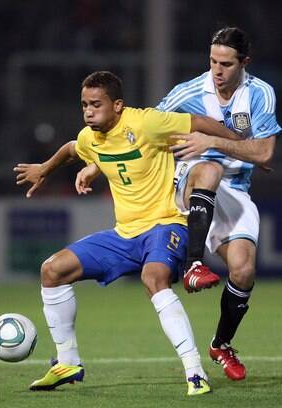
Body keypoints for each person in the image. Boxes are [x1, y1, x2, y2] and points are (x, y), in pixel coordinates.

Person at [14, 71, 239, 395]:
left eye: (96, 104)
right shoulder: (92, 137)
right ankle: (67, 362)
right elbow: (71, 148)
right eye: (84, 105)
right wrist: (44, 169)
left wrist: (237, 143)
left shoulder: (147, 123)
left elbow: (199, 122)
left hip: (166, 224)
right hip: (125, 235)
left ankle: (194, 372)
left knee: (153, 278)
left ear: (117, 105)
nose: (89, 111)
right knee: (52, 270)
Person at [157, 27, 282, 381]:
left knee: (243, 272)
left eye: (226, 63)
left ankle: (221, 345)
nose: (217, 70)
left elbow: (266, 153)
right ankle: (193, 264)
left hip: (236, 191)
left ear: (244, 62)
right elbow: (141, 128)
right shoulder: (188, 92)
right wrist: (91, 163)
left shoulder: (259, 94)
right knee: (208, 168)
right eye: (212, 61)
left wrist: (212, 139)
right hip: (191, 180)